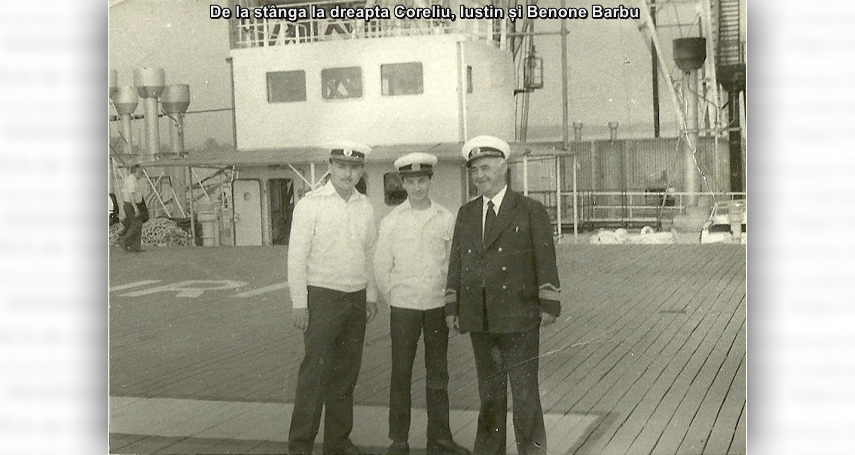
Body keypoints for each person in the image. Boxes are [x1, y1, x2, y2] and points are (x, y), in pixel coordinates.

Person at [444, 136, 562, 455]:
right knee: (490, 396)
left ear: (503, 167)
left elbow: (545, 259)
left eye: (485, 168)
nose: (479, 176)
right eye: (474, 170)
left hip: (519, 317)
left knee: (525, 394)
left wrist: (549, 302)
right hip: (480, 319)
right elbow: (456, 262)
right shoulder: (466, 213)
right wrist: (452, 306)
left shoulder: (530, 210)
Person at [374, 153, 471, 455]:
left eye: (422, 180)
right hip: (403, 307)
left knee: (438, 372)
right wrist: (395, 298)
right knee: (401, 373)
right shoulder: (392, 221)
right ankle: (398, 439)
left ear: (430, 181)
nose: (417, 187)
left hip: (436, 305)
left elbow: (454, 264)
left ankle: (439, 437)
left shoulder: (445, 218)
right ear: (402, 184)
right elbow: (381, 267)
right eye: (410, 181)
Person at [287, 141, 379, 455]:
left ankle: (338, 443)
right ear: (330, 167)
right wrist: (299, 302)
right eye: (342, 166)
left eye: (354, 168)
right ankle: (300, 446)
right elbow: (296, 257)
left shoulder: (365, 207)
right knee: (315, 374)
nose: (347, 173)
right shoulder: (310, 205)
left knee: (346, 375)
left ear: (361, 171)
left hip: (356, 298)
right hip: (322, 297)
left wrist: (370, 295)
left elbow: (369, 254)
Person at [117, 164, 145, 253]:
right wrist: (135, 208)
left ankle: (135, 247)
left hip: (133, 205)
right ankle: (124, 240)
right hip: (131, 205)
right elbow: (131, 196)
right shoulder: (131, 181)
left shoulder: (134, 180)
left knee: (138, 224)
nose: (141, 175)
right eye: (141, 172)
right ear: (136, 172)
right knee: (136, 224)